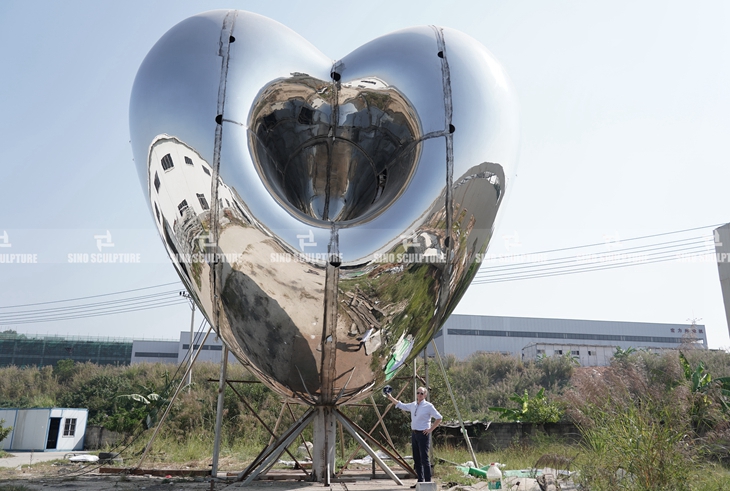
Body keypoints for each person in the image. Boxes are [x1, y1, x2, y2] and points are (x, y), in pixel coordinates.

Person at [386, 386, 442, 486]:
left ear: (425, 395)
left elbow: (439, 418)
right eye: (418, 393)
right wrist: (390, 397)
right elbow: (401, 405)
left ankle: (428, 482)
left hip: (423, 434)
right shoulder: (413, 405)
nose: (419, 395)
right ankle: (420, 481)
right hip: (414, 433)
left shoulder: (428, 406)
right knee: (416, 458)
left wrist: (430, 429)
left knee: (424, 458)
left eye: (421, 393)